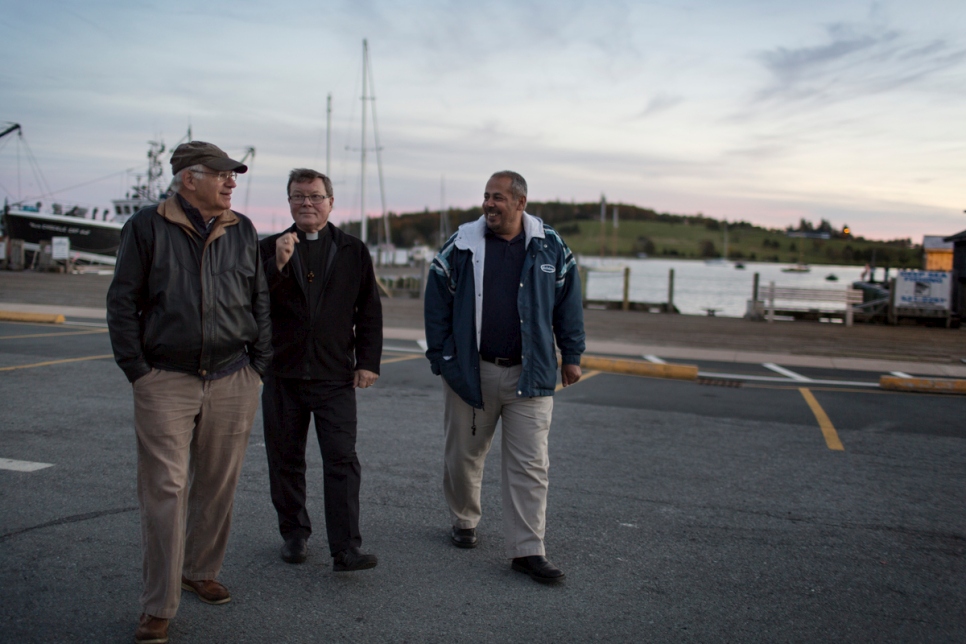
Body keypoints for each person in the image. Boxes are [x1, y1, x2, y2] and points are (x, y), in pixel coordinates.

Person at [106, 141, 272, 644]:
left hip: (232, 376)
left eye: (233, 176)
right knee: (165, 490)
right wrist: (139, 370)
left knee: (218, 483)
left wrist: (258, 366)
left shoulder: (241, 228)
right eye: (221, 174)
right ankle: (158, 605)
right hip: (165, 379)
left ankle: (200, 569)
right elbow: (122, 301)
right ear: (188, 179)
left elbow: (258, 297)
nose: (231, 183)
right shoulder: (145, 226)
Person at [423, 170, 585, 584]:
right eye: (486, 196)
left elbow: (568, 303)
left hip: (531, 375)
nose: (489, 204)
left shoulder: (551, 246)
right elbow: (436, 299)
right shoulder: (461, 245)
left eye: (498, 198)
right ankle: (464, 518)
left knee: (531, 466)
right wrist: (443, 356)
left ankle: (527, 550)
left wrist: (572, 354)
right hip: (473, 372)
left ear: (520, 203)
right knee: (463, 457)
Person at [259, 168, 382, 572]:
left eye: (314, 196)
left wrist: (367, 362)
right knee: (285, 459)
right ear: (289, 202)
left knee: (342, 461)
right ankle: (294, 533)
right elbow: (252, 307)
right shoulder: (267, 249)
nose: (306, 203)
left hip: (334, 376)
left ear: (331, 201)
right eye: (298, 196)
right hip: (283, 375)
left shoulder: (352, 250)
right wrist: (277, 267)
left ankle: (345, 548)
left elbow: (369, 311)